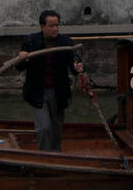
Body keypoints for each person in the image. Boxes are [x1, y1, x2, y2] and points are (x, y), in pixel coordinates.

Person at [15, 10, 83, 151]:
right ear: (42, 26)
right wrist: (22, 57)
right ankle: (45, 157)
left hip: (59, 92)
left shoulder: (65, 42)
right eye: (51, 26)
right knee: (44, 127)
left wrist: (77, 67)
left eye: (57, 25)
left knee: (56, 127)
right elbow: (19, 67)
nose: (55, 29)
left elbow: (74, 65)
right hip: (37, 91)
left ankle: (56, 155)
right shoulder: (31, 41)